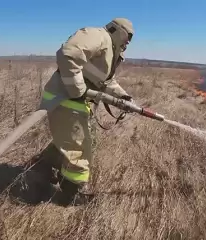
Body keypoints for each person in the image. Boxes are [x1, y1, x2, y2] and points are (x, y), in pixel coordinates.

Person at [38, 18, 134, 204]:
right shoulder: (98, 36)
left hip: (75, 102)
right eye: (128, 36)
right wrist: (78, 90)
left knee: (73, 141)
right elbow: (68, 53)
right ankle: (70, 195)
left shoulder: (109, 50)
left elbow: (105, 82)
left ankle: (44, 168)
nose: (129, 41)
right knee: (80, 149)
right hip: (66, 100)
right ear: (118, 30)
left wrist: (123, 97)